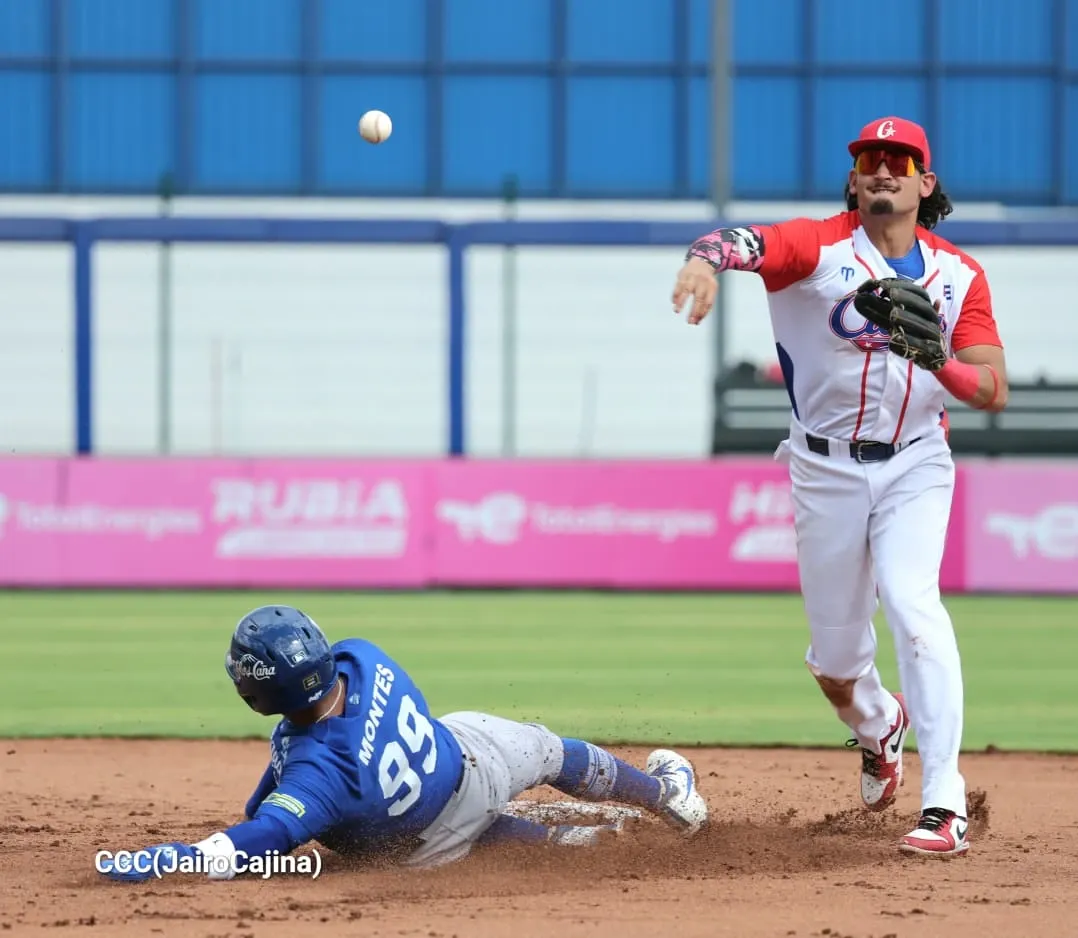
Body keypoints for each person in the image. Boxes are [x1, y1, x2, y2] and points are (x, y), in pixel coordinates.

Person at [670, 116, 1008, 857]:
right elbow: (742, 242)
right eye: (869, 160)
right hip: (822, 468)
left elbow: (990, 389)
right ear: (855, 180)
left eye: (899, 159)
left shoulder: (958, 275)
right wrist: (704, 261)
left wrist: (937, 362)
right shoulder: (815, 248)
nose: (883, 169)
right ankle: (879, 726)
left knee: (914, 605)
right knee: (835, 665)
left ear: (925, 182)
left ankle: (944, 803)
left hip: (915, 460)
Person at [99, 605, 707, 882]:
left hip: (424, 846)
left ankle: (599, 841)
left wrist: (164, 858)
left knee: (525, 843)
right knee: (553, 753)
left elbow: (266, 830)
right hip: (466, 763)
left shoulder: (316, 773)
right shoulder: (362, 656)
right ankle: (665, 798)